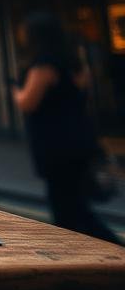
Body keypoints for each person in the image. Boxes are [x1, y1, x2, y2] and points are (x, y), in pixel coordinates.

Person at [14, 12, 121, 245]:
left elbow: (28, 101)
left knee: (68, 210)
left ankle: (100, 254)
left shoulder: (43, 66)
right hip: (79, 139)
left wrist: (16, 91)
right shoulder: (73, 63)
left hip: (56, 146)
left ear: (35, 36)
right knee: (76, 205)